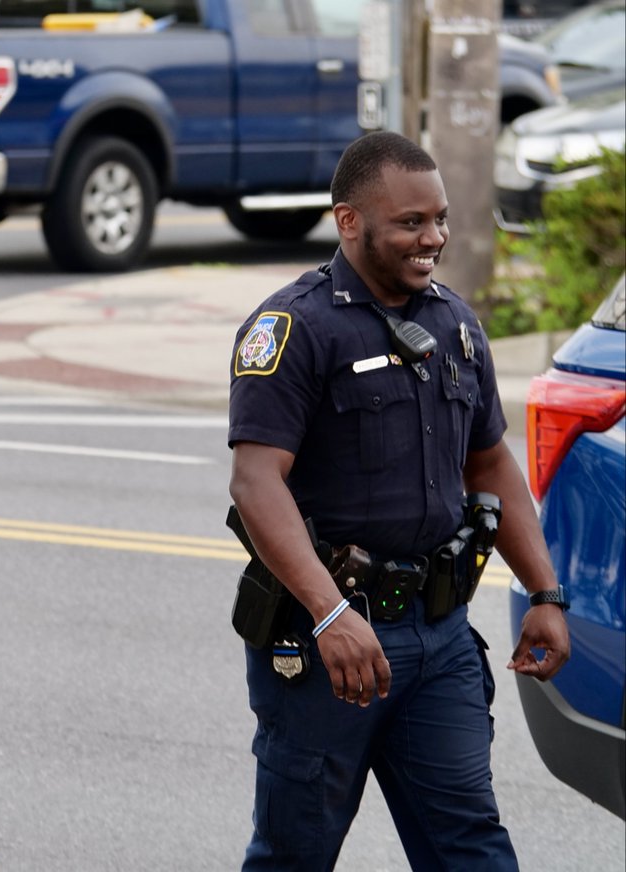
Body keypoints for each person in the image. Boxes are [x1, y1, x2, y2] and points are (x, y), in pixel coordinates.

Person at [226, 131, 570, 870]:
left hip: (439, 639)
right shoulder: (294, 329)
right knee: (294, 853)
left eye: (440, 219)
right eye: (411, 222)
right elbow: (256, 482)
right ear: (349, 221)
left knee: (471, 846)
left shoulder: (455, 325)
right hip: (331, 646)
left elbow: (491, 463)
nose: (433, 238)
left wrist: (544, 588)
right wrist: (330, 613)